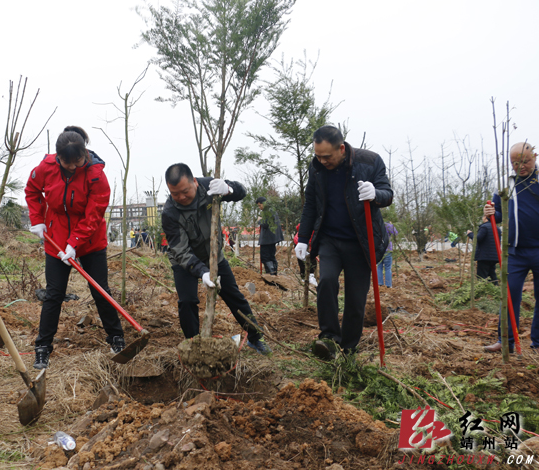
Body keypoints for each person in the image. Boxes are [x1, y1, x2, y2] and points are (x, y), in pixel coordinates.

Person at [26, 126, 125, 369]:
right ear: (58, 157)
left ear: (85, 154)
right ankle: (42, 347)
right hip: (56, 238)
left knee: (100, 289)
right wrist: (37, 219)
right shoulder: (46, 168)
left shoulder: (95, 174)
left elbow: (94, 213)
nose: (72, 166)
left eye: (77, 161)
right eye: (67, 162)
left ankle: (117, 338)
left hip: (90, 239)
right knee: (54, 294)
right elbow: (32, 190)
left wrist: (75, 242)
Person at [295, 125, 393, 360]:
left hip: (361, 242)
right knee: (327, 281)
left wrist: (375, 194)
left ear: (341, 148)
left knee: (356, 299)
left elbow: (387, 194)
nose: (322, 161)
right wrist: (303, 239)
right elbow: (311, 204)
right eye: (318, 156)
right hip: (330, 239)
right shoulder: (317, 167)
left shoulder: (370, 162)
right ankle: (329, 339)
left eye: (327, 156)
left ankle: (348, 348)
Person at [161, 163, 271, 355]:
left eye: (185, 191)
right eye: (175, 194)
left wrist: (229, 189)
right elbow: (181, 250)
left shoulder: (209, 187)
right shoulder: (170, 213)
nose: (181, 197)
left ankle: (255, 337)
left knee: (233, 296)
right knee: (187, 301)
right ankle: (194, 347)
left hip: (213, 255)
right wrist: (202, 272)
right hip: (184, 261)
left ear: (195, 182)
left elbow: (242, 192)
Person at [483, 141, 539, 353]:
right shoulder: (506, 184)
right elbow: (498, 215)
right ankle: (505, 341)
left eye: (525, 161)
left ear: (535, 158)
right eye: (515, 163)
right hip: (514, 251)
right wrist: (490, 213)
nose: (520, 166)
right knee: (509, 295)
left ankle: (538, 342)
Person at [466, 216, 500, 285]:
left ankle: (482, 288)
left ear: (485, 218)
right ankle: (496, 287)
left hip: (484, 256)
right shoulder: (497, 228)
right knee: (492, 273)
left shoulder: (484, 227)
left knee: (481, 276)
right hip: (494, 256)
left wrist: (470, 234)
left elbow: (477, 239)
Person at [255, 197, 283, 275]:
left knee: (265, 257)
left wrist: (259, 220)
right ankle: (273, 274)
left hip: (267, 239)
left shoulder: (267, 211)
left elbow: (265, 224)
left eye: (260, 205)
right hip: (272, 239)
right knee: (271, 257)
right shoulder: (272, 210)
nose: (259, 207)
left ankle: (271, 275)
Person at [377, 221, 398, 288]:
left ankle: (380, 284)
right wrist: (391, 225)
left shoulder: (376, 225)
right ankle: (388, 285)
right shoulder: (388, 225)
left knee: (379, 267)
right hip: (387, 249)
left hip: (378, 249)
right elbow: (395, 233)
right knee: (388, 268)